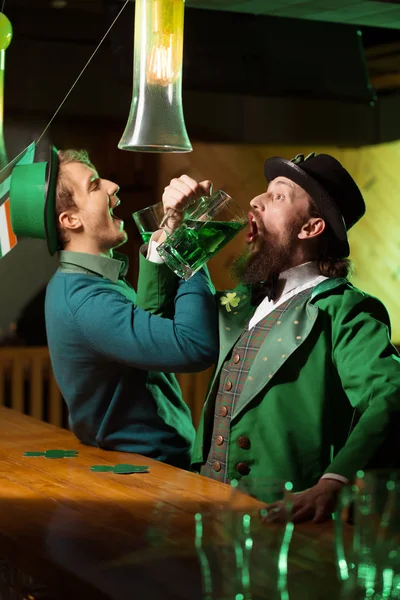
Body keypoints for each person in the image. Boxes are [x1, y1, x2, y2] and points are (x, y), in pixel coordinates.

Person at [148, 152, 400, 521]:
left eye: (278, 195)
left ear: (310, 228)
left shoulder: (344, 309)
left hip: (282, 519)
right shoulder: (239, 306)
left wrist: (335, 481)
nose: (255, 201)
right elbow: (155, 322)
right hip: (207, 506)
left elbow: (389, 395)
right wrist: (172, 227)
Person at [9, 146, 218, 469]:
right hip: (149, 470)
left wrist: (173, 229)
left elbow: (150, 325)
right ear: (71, 219)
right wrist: (190, 243)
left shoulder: (83, 282)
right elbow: (193, 346)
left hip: (146, 462)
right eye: (94, 185)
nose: (112, 186)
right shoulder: (86, 301)